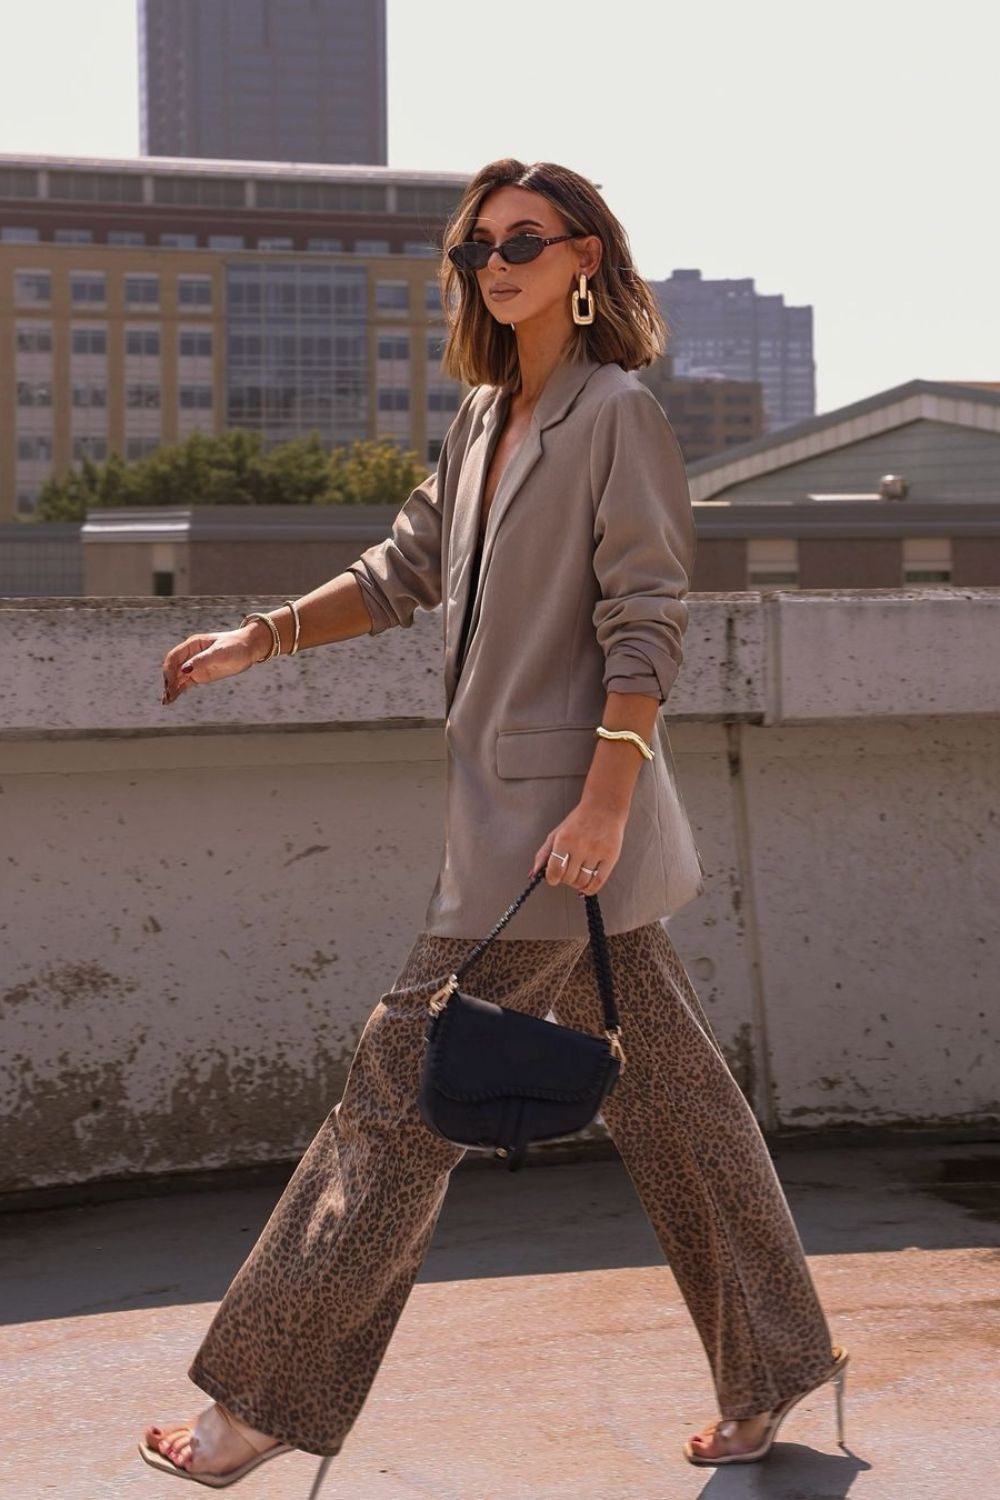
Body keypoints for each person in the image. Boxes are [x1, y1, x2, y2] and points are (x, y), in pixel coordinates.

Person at [139, 158, 847, 1492]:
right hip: (516, 829)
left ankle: (262, 1401)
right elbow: (406, 570)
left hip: (562, 833)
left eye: (521, 241)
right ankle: (776, 1368)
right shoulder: (481, 419)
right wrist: (260, 637)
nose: (493, 264)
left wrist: (604, 799)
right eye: (474, 248)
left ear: (584, 256)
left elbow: (648, 617)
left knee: (395, 1093)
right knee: (679, 1111)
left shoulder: (616, 415)